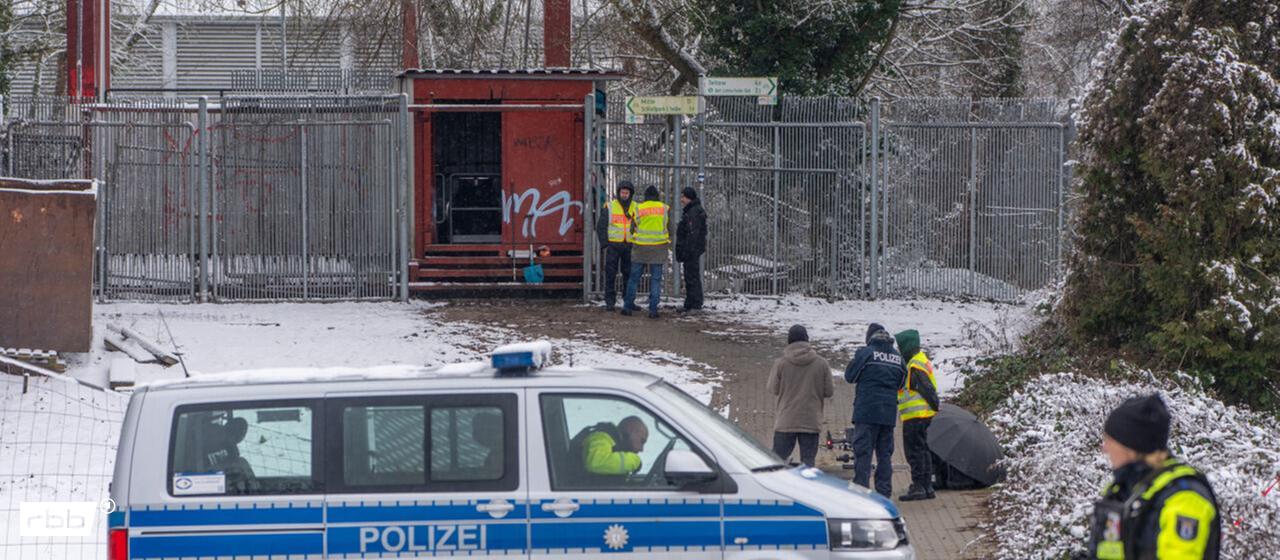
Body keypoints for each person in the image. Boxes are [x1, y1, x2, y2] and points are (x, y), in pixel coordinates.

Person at [1087, 394, 1220, 560]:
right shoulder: (1124, 489)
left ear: (1130, 447)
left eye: (1110, 440)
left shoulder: (1184, 498)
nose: (1104, 448)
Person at [843, 323, 906, 499]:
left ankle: (861, 493)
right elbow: (901, 383)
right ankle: (884, 494)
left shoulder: (866, 354)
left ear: (870, 337)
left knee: (863, 454)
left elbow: (850, 376)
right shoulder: (897, 358)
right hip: (887, 414)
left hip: (866, 412)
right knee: (884, 455)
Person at [767, 325, 834, 467]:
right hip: (810, 421)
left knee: (776, 463)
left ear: (789, 341)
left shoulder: (781, 364)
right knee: (808, 465)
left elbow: (773, 389)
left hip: (786, 421)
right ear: (807, 340)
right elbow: (829, 391)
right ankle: (806, 489)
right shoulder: (821, 364)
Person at [894, 329, 940, 501]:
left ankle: (919, 486)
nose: (899, 350)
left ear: (907, 346)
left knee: (914, 451)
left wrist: (935, 404)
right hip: (923, 414)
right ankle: (927, 486)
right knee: (923, 450)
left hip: (916, 416)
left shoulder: (914, 366)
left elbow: (926, 388)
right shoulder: (920, 360)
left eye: (901, 347)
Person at [623, 185, 675, 319]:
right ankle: (653, 310)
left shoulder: (638, 209)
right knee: (656, 280)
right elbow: (672, 229)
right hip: (658, 248)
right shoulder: (665, 209)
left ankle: (627, 307)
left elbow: (632, 229)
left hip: (640, 248)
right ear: (657, 196)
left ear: (645, 197)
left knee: (634, 278)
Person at [596, 180, 635, 312]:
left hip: (630, 245)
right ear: (618, 193)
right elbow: (601, 226)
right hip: (613, 245)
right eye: (622, 192)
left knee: (628, 275)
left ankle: (628, 301)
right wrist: (605, 244)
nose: (624, 195)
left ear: (631, 194)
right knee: (610, 274)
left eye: (627, 193)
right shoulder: (610, 206)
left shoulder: (636, 207)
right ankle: (610, 302)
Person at [571, 416, 649, 478]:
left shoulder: (614, 442)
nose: (641, 449)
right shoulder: (600, 437)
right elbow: (596, 462)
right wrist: (634, 461)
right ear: (630, 429)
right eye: (642, 441)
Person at [675, 187, 707, 313]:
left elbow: (693, 234)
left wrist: (688, 249)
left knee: (692, 277)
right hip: (692, 249)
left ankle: (695, 304)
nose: (681, 199)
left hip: (691, 250)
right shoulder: (693, 210)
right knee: (690, 276)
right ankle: (690, 303)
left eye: (683, 197)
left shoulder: (693, 212)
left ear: (689, 198)